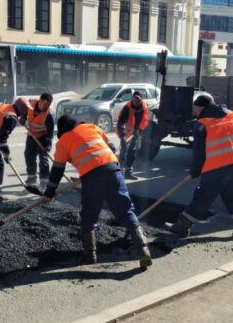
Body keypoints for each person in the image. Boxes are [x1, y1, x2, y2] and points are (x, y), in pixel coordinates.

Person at [42, 115, 152, 270]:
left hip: (92, 178)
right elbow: (112, 148)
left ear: (62, 129)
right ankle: (143, 250)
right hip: (114, 170)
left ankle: (90, 256)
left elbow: (57, 170)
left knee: (89, 215)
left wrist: (49, 192)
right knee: (126, 210)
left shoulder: (63, 141)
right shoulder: (92, 127)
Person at [165, 92, 233, 238]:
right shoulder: (232, 115)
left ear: (201, 108)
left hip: (219, 166)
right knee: (232, 194)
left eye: (195, 108)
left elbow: (199, 154)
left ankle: (182, 226)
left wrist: (195, 170)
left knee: (203, 195)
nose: (194, 111)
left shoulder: (202, 124)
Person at [20, 92, 55, 188]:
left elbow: (50, 133)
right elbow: (25, 110)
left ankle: (44, 182)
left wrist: (47, 146)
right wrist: (23, 117)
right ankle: (31, 179)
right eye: (44, 104)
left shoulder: (49, 115)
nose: (46, 107)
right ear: (39, 100)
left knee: (43, 160)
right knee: (29, 156)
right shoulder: (31, 103)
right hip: (31, 135)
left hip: (43, 138)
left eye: (48, 105)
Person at [115, 90, 149, 180]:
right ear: (132, 99)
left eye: (138, 100)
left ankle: (128, 173)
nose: (136, 102)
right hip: (126, 133)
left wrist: (139, 130)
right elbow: (120, 122)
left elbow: (144, 120)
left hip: (135, 133)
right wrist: (122, 137)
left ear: (141, 100)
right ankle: (120, 174)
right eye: (134, 99)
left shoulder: (143, 107)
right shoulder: (127, 108)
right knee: (123, 153)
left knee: (132, 153)